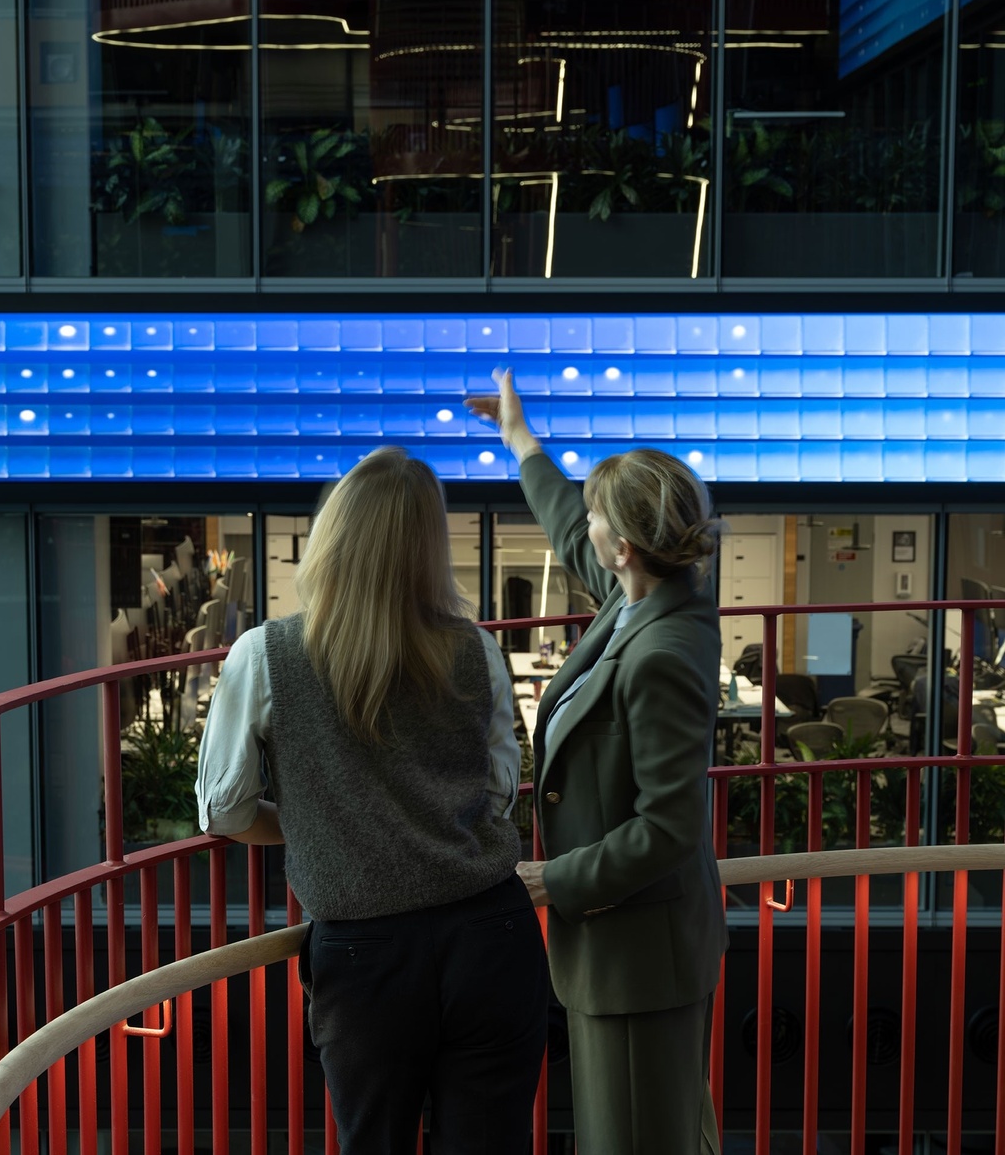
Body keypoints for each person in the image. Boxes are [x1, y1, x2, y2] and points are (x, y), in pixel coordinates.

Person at [195, 446, 548, 1155]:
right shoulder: (476, 650)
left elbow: (224, 810)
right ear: (429, 547)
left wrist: (318, 825)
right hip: (493, 934)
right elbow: (500, 794)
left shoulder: (265, 655)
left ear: (330, 537)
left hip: (365, 953)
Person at [466, 369, 727, 1155]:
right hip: (623, 952)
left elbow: (670, 825)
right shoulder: (639, 598)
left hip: (639, 958)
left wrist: (558, 879)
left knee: (635, 1138)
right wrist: (518, 436)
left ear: (625, 544)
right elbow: (565, 524)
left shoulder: (663, 649)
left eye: (597, 519)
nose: (585, 531)